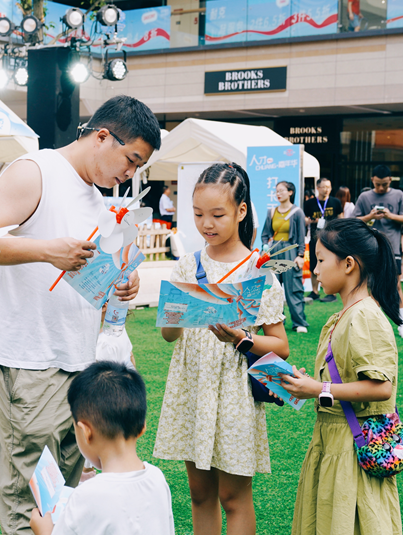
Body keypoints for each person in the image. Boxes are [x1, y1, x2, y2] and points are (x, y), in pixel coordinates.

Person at [0, 95, 161, 535]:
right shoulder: (35, 170)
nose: (128, 174)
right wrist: (47, 251)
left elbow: (85, 272)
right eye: (130, 160)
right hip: (29, 353)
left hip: (79, 355)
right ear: (102, 137)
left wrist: (118, 286)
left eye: (137, 168)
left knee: (70, 483)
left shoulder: (94, 196)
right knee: (27, 486)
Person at [154, 162, 289, 535]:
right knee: (199, 494)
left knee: (234, 497)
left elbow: (280, 345)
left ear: (241, 211)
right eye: (198, 214)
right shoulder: (187, 265)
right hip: (192, 388)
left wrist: (241, 338)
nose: (206, 224)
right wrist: (174, 315)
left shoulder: (258, 272)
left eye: (217, 214)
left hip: (234, 392)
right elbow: (169, 337)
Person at [281, 218, 403, 535]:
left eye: (321, 260)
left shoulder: (364, 315)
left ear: (348, 264)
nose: (315, 269)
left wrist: (319, 387)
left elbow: (381, 387)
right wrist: (308, 386)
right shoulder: (346, 313)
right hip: (335, 442)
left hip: (353, 448)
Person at [30, 362, 175, 535]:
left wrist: (44, 532)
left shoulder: (85, 495)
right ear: (142, 427)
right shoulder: (158, 479)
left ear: (86, 432)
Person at [352, 165, 403, 339]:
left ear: (390, 181)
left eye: (384, 185)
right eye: (378, 184)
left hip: (392, 247)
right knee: (370, 286)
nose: (381, 188)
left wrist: (389, 215)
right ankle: (373, 325)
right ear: (372, 180)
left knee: (395, 285)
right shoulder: (365, 197)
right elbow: (354, 220)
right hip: (370, 248)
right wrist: (370, 216)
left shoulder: (399, 195)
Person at [262, 181, 309, 333]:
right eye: (277, 191)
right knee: (273, 288)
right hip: (274, 252)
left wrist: (300, 255)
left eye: (282, 190)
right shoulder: (271, 212)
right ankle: (276, 321)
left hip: (291, 251)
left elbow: (301, 236)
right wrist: (265, 248)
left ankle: (299, 322)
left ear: (290, 192)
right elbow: (265, 234)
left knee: (293, 288)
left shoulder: (297, 212)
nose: (278, 193)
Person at [304, 178, 343, 303]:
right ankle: (315, 292)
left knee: (333, 265)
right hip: (315, 238)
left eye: (329, 187)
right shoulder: (309, 203)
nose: (326, 190)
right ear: (318, 188)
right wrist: (310, 221)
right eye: (324, 187)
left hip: (332, 239)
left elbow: (341, 218)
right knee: (314, 265)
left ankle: (332, 293)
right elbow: (304, 219)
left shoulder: (335, 202)